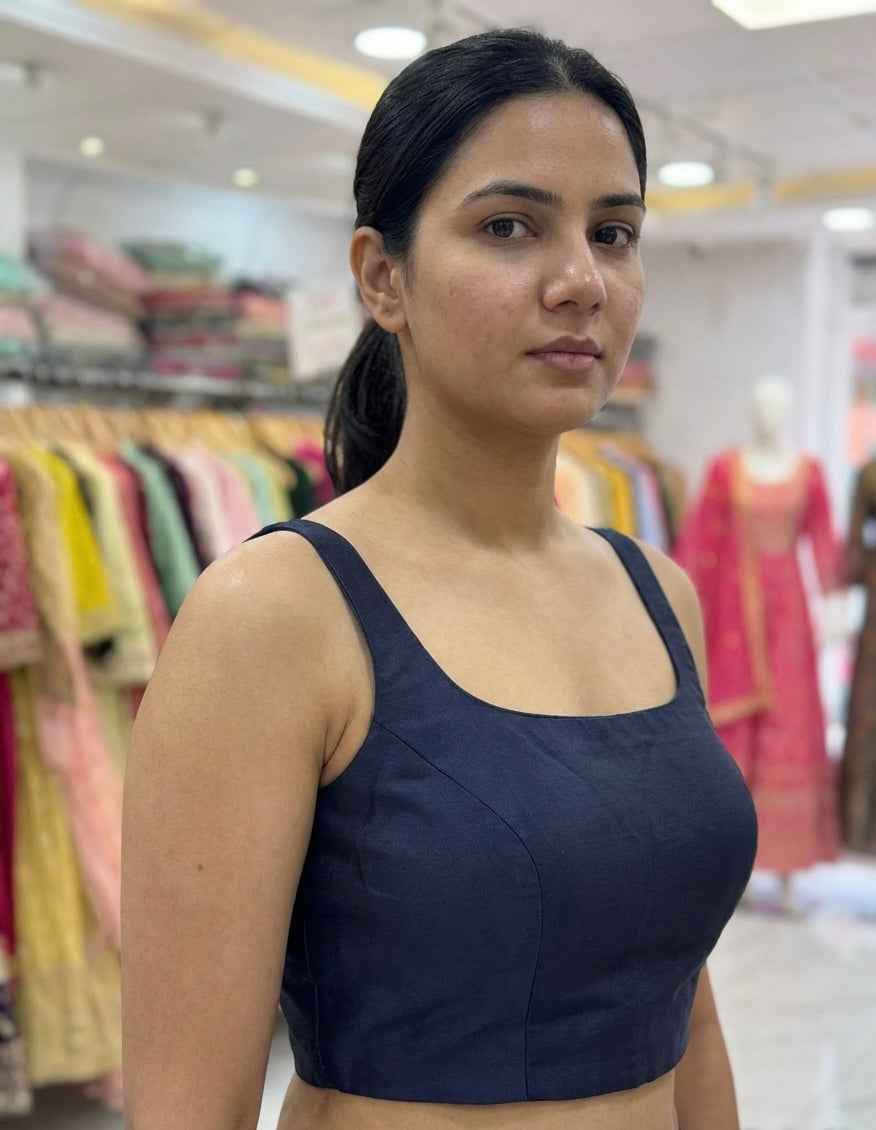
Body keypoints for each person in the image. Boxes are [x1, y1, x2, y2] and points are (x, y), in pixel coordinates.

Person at [122, 27, 757, 1130]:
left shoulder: (658, 594)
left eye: (613, 233)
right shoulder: (276, 613)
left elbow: (681, 1001)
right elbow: (187, 1107)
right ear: (383, 276)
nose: (580, 280)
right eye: (509, 226)